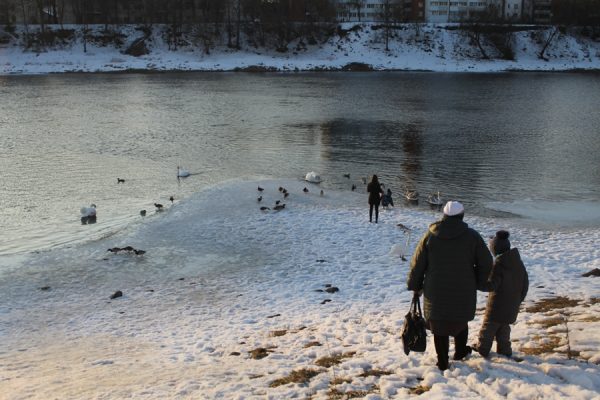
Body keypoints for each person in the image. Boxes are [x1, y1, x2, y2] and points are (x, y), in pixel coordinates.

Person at [407, 201, 493, 371]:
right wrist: (478, 280)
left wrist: (415, 285)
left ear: (444, 216)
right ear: (462, 215)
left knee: (439, 324)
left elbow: (417, 264)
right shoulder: (472, 236)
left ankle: (443, 361)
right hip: (464, 288)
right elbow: (486, 261)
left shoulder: (430, 236)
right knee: (460, 318)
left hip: (435, 290)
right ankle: (460, 351)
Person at [473, 230, 529, 358]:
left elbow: (491, 285)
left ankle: (482, 348)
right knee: (504, 329)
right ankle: (504, 350)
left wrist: (477, 283)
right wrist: (518, 300)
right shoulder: (518, 263)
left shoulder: (499, 265)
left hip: (496, 306)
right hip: (512, 305)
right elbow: (525, 284)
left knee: (488, 329)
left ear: (495, 250)